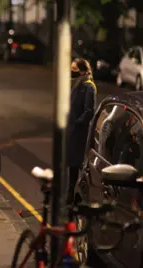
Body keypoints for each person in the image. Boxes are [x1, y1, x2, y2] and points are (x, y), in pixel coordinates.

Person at [67, 58, 96, 205]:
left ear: (83, 71)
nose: (72, 72)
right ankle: (70, 194)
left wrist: (78, 123)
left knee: (78, 164)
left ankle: (78, 195)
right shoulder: (77, 84)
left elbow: (89, 111)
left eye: (74, 69)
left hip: (79, 133)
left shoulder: (88, 87)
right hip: (71, 130)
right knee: (71, 165)